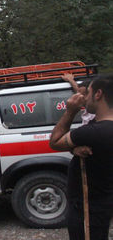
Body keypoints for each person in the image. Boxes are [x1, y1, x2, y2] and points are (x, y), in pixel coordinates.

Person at [50, 75, 113, 240]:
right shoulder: (94, 131)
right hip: (103, 203)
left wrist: (70, 111)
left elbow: (55, 141)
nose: (84, 99)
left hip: (89, 207)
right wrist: (74, 149)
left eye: (88, 93)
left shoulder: (92, 132)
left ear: (98, 94)